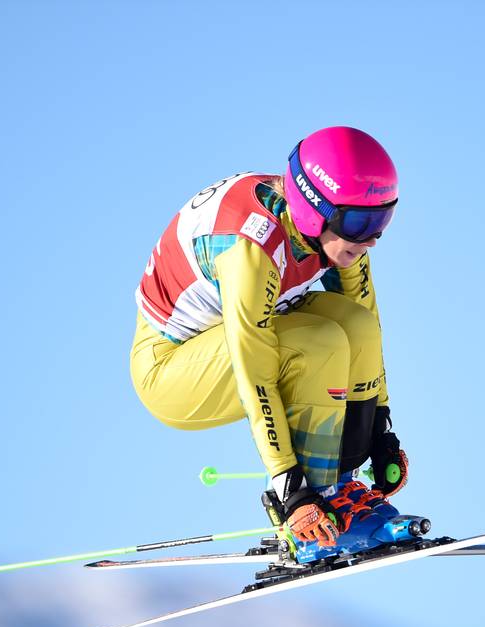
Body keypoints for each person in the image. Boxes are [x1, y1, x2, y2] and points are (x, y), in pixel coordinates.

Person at [130, 126, 410, 555]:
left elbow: (364, 322)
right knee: (317, 342)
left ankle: (345, 494)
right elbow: (255, 370)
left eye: (382, 219)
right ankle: (308, 522)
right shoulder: (251, 250)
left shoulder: (332, 234)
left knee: (354, 326)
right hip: (169, 371)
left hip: (237, 338)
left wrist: (378, 429)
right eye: (359, 222)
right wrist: (290, 486)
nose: (371, 238)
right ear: (315, 209)